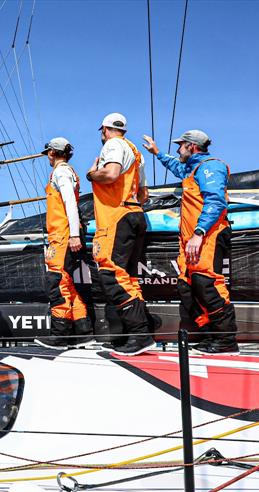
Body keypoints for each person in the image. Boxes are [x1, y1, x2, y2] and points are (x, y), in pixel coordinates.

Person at [143, 130, 239, 354]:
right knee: (186, 286)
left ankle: (226, 340)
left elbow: (215, 202)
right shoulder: (192, 168)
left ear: (192, 146)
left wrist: (199, 232)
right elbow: (177, 166)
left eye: (180, 146)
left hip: (207, 235)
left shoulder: (210, 166)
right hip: (190, 239)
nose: (178, 150)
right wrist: (157, 152)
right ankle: (210, 333)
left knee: (207, 284)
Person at [86, 113, 155, 355]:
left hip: (116, 217)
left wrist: (92, 174)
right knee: (128, 277)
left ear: (104, 129)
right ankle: (137, 335)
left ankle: (139, 334)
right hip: (135, 213)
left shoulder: (113, 145)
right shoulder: (136, 153)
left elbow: (111, 174)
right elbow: (144, 194)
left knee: (111, 275)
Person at [34, 138, 93, 349]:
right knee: (67, 283)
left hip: (62, 235)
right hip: (65, 234)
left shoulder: (60, 173)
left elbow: (69, 203)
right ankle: (83, 332)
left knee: (57, 283)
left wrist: (74, 235)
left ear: (51, 153)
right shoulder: (69, 172)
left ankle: (60, 334)